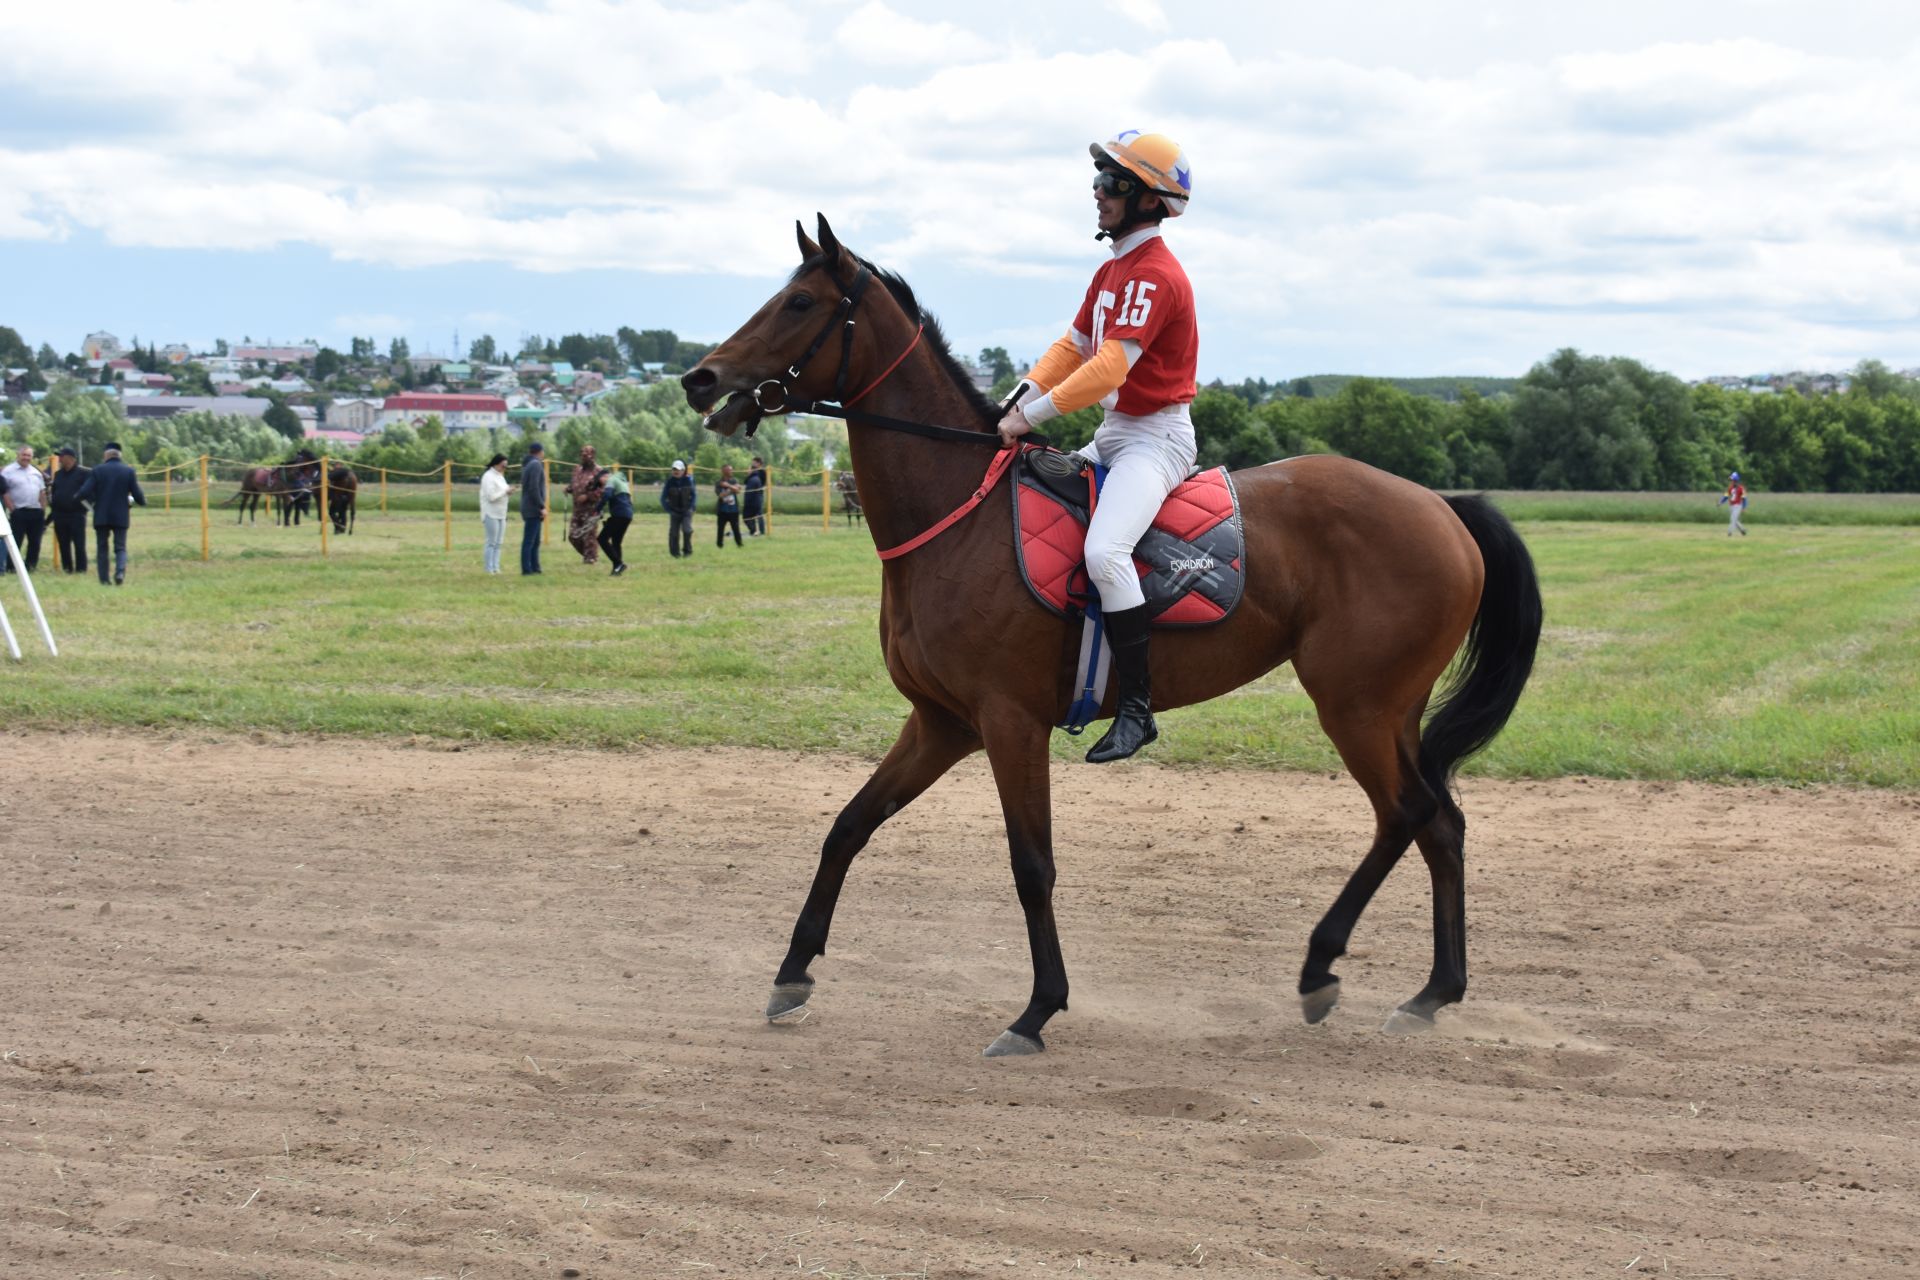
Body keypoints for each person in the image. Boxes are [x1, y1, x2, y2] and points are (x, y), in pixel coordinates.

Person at [995, 130, 1199, 764]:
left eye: (1112, 183)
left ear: (1146, 200)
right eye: (1100, 180)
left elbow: (1110, 368)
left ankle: (1137, 709)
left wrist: (1032, 417)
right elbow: (1072, 346)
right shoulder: (1112, 270)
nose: (1098, 192)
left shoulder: (1156, 274)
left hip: (1155, 441)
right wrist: (1019, 395)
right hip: (1113, 435)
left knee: (1106, 552)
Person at [73, 441, 145, 585]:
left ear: (106, 455)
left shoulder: (98, 471)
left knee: (102, 548)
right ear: (120, 455)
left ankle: (104, 579)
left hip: (101, 515)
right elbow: (138, 495)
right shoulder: (128, 471)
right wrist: (142, 501)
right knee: (120, 547)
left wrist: (85, 500)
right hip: (121, 515)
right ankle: (119, 572)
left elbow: (83, 492)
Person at [0, 444, 49, 573]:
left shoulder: (35, 472)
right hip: (18, 511)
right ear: (18, 455)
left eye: (29, 455)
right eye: (24, 455)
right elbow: (5, 492)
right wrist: (12, 510)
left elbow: (42, 492)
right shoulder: (8, 471)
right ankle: (12, 567)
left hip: (36, 511)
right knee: (15, 542)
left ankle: (31, 567)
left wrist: (43, 509)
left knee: (35, 542)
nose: (26, 458)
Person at [48, 446, 91, 575]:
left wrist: (84, 507)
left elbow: (91, 493)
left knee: (79, 544)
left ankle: (81, 570)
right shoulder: (58, 474)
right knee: (63, 544)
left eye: (61, 456)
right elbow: (55, 492)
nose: (59, 458)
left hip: (76, 515)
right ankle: (67, 569)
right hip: (60, 515)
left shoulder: (84, 473)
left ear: (70, 458)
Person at [566, 444, 608, 564]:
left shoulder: (600, 472)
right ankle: (588, 554)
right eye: (582, 455)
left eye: (586, 455)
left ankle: (591, 558)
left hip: (592, 509)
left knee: (589, 536)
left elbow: (605, 490)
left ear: (593, 456)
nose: (583, 457)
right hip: (577, 510)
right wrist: (569, 489)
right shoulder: (577, 470)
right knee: (573, 536)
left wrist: (588, 496)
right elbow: (575, 485)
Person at [479, 452, 515, 574]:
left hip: (502, 513)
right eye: (503, 465)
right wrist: (505, 491)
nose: (504, 468)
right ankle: (489, 568)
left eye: (506, 466)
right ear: (496, 464)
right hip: (491, 513)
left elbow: (503, 492)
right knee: (491, 542)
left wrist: (509, 492)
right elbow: (491, 497)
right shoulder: (488, 477)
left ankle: (496, 567)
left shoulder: (500, 476)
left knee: (499, 543)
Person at [597, 467, 633, 575]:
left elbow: (607, 495)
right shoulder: (622, 481)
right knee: (616, 542)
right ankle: (617, 570)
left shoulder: (611, 479)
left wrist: (597, 509)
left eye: (600, 481)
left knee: (602, 539)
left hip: (619, 514)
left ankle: (618, 563)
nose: (602, 485)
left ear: (605, 476)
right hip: (628, 515)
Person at [520, 442, 547, 575]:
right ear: (540, 452)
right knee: (530, 541)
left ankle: (535, 567)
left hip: (529, 507)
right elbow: (534, 488)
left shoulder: (527, 465)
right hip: (533, 508)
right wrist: (541, 506)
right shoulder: (536, 465)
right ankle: (527, 569)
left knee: (535, 541)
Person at [661, 459, 695, 558]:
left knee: (687, 530)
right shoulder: (669, 482)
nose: (676, 471)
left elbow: (693, 495)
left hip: (686, 511)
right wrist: (668, 509)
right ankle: (675, 553)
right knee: (674, 533)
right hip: (674, 511)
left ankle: (687, 551)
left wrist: (691, 507)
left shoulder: (689, 481)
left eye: (678, 469)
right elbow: (663, 497)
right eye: (674, 469)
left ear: (683, 470)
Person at [715, 463, 743, 548]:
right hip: (722, 510)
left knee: (736, 528)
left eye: (731, 469)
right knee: (720, 529)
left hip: (733, 510)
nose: (731, 471)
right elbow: (721, 495)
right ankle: (719, 545)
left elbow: (738, 490)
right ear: (724, 471)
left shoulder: (734, 480)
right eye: (729, 470)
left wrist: (728, 486)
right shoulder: (718, 482)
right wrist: (733, 489)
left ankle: (739, 544)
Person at [742, 455, 767, 535]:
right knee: (752, 514)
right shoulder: (753, 471)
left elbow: (762, 482)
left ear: (759, 463)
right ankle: (754, 530)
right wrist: (749, 474)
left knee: (759, 513)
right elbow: (745, 481)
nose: (752, 464)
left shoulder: (762, 471)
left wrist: (752, 473)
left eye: (754, 462)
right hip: (751, 494)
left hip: (758, 494)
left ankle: (762, 531)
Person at [1719, 471, 1748, 537]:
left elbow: (1744, 499)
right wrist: (1720, 502)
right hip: (1731, 506)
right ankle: (1743, 530)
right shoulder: (1730, 488)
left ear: (1736, 480)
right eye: (1731, 480)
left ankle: (1729, 533)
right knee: (1735, 520)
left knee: (1732, 519)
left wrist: (1744, 507)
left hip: (1738, 506)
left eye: (1733, 480)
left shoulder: (1741, 488)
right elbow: (1726, 496)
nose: (1731, 481)